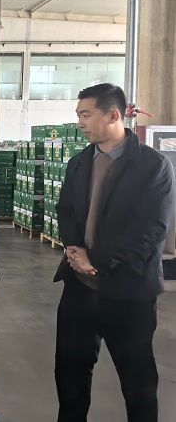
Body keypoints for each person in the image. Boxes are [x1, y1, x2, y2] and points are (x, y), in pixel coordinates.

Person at [53, 83, 175, 422]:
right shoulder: (79, 163)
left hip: (129, 291)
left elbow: (151, 231)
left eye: (86, 114)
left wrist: (97, 261)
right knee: (70, 377)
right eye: (78, 115)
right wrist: (76, 251)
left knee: (138, 383)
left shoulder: (152, 166)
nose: (80, 122)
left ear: (113, 115)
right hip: (80, 289)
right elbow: (66, 211)